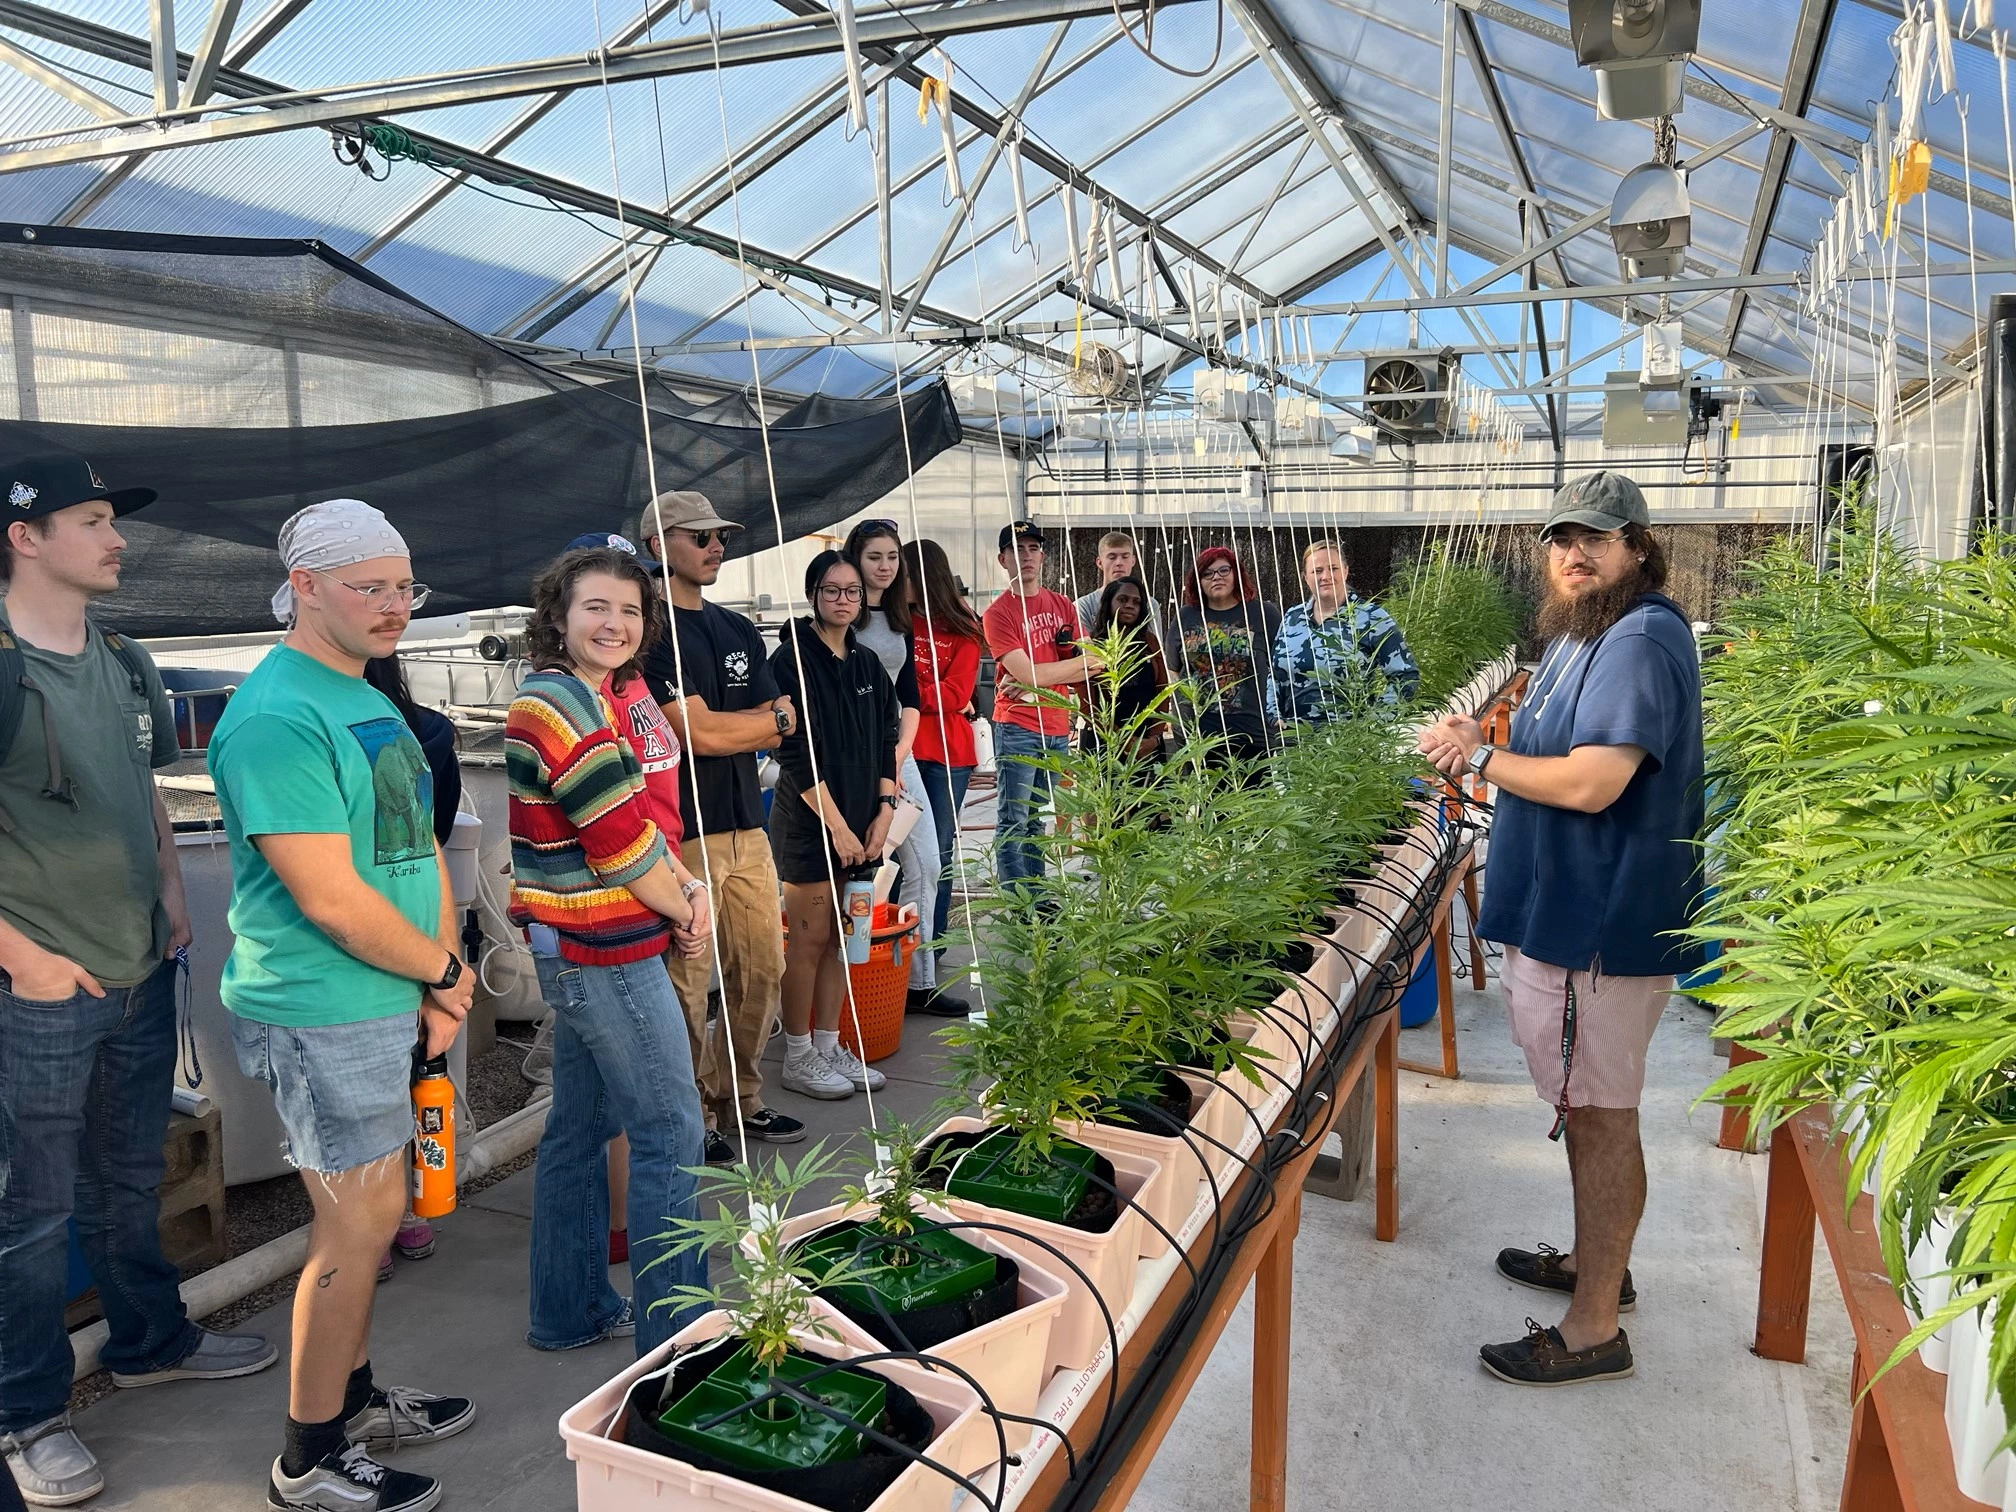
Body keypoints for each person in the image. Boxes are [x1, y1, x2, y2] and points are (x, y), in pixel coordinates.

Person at [0, 448, 277, 1510]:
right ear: (25, 536)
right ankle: (25, 1414)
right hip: (40, 982)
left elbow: (146, 789)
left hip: (136, 966)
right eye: (93, 520)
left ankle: (152, 1337)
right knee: (28, 1211)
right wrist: (24, 959)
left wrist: (168, 888)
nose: (117, 539)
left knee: (125, 1177)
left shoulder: (125, 663)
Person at [208, 499, 475, 1512]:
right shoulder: (277, 715)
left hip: (391, 995)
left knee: (375, 1219)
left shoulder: (363, 695)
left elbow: (417, 846)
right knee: (354, 1231)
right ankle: (309, 1457)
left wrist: (444, 975)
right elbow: (327, 899)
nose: (395, 606)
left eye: (406, 586)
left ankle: (354, 1399)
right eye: (371, 587)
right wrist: (442, 977)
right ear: (305, 587)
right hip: (322, 1009)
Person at [1419, 471, 1705, 1390]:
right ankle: (1596, 1269)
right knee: (1589, 1111)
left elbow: (1592, 783)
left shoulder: (1639, 638)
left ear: (1637, 547)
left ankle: (1591, 1328)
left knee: (1601, 1118)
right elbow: (1556, 750)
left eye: (1595, 537)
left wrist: (1484, 755)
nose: (1572, 554)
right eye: (1560, 540)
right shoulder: (1587, 635)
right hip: (1570, 917)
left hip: (1600, 929)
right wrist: (1485, 730)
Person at [505, 545, 713, 1362]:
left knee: (579, 1129)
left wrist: (680, 889)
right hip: (604, 952)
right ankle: (679, 1348)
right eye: (596, 607)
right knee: (670, 1133)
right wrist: (688, 906)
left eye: (629, 611)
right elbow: (620, 847)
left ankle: (571, 1308)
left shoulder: (588, 700)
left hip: (586, 945)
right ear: (558, 616)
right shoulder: (560, 705)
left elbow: (636, 829)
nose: (615, 624)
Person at [631, 493, 805, 1165]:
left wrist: (752, 725)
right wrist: (762, 725)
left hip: (745, 825)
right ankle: (693, 1110)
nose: (717, 545)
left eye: (720, 535)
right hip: (684, 835)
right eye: (699, 535)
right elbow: (695, 733)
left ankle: (738, 1093)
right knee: (687, 977)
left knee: (763, 965)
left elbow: (778, 713)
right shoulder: (646, 632)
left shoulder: (735, 628)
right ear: (656, 545)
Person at [767, 552, 899, 1099]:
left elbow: (887, 738)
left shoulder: (867, 663)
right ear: (813, 595)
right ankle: (797, 1055)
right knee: (809, 938)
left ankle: (827, 1044)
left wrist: (884, 810)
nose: (844, 599)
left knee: (841, 940)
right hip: (809, 819)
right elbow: (793, 751)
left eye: (852, 591)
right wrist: (839, 828)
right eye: (831, 590)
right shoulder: (789, 660)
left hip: (862, 819)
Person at [361, 653, 462, 1278]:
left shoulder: (316, 725)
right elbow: (438, 829)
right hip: (419, 916)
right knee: (418, 1067)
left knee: (362, 1098)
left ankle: (367, 1230)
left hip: (358, 939)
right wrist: (445, 963)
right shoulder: (425, 729)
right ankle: (408, 1211)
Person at [841, 520, 964, 1016]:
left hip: (898, 755)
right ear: (856, 557)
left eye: (892, 557)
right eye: (875, 557)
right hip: (850, 760)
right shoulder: (841, 615)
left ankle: (919, 981)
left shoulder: (900, 618)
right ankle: (854, 973)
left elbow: (908, 694)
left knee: (927, 864)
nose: (885, 566)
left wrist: (899, 750)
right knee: (862, 869)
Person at [981, 522, 1100, 895]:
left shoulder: (1061, 603)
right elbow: (1029, 673)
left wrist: (1038, 677)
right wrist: (1040, 675)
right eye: (1017, 550)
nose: (1026, 556)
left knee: (1036, 817)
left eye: (1033, 548)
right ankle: (1019, 898)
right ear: (1003, 560)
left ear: (1043, 556)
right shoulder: (998, 613)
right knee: (1014, 817)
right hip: (1017, 724)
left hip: (1055, 723)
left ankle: (1036, 891)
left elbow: (1095, 660)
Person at [900, 538, 983, 989]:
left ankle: (931, 947)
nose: (897, 580)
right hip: (904, 753)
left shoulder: (964, 627)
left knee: (939, 855)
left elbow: (958, 694)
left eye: (905, 572)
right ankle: (899, 942)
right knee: (902, 853)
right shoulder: (893, 621)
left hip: (948, 755)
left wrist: (907, 698)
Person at [1270, 540, 1419, 724]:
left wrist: (1375, 723)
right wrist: (1274, 716)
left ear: (1346, 571)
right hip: (1294, 737)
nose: (1325, 576)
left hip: (1347, 743)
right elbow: (1274, 674)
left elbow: (1404, 675)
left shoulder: (1370, 617)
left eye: (1333, 568)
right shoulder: (1292, 618)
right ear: (1305, 578)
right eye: (1316, 571)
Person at [1174, 545, 1282, 770]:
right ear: (1198, 581)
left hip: (1254, 735)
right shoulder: (1186, 616)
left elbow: (1282, 666)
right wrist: (1181, 724)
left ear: (1236, 574)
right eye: (1207, 573)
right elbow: (1174, 671)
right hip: (1202, 737)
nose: (1216, 577)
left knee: (1256, 802)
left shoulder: (1264, 613)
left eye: (1224, 570)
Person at [1080, 575, 1170, 761]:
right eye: (1123, 600)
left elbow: (1163, 692)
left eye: (1136, 602)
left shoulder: (1150, 643)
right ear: (1109, 603)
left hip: (1147, 743)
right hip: (1104, 741)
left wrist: (1154, 739)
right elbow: (1088, 704)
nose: (1130, 605)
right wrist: (1123, 740)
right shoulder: (1093, 646)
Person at [1072, 530, 1161, 647]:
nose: (1119, 563)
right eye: (1112, 557)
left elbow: (1154, 649)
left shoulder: (1149, 604)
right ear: (1099, 562)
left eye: (1125, 557)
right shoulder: (1083, 606)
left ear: (1133, 561)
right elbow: (1085, 651)